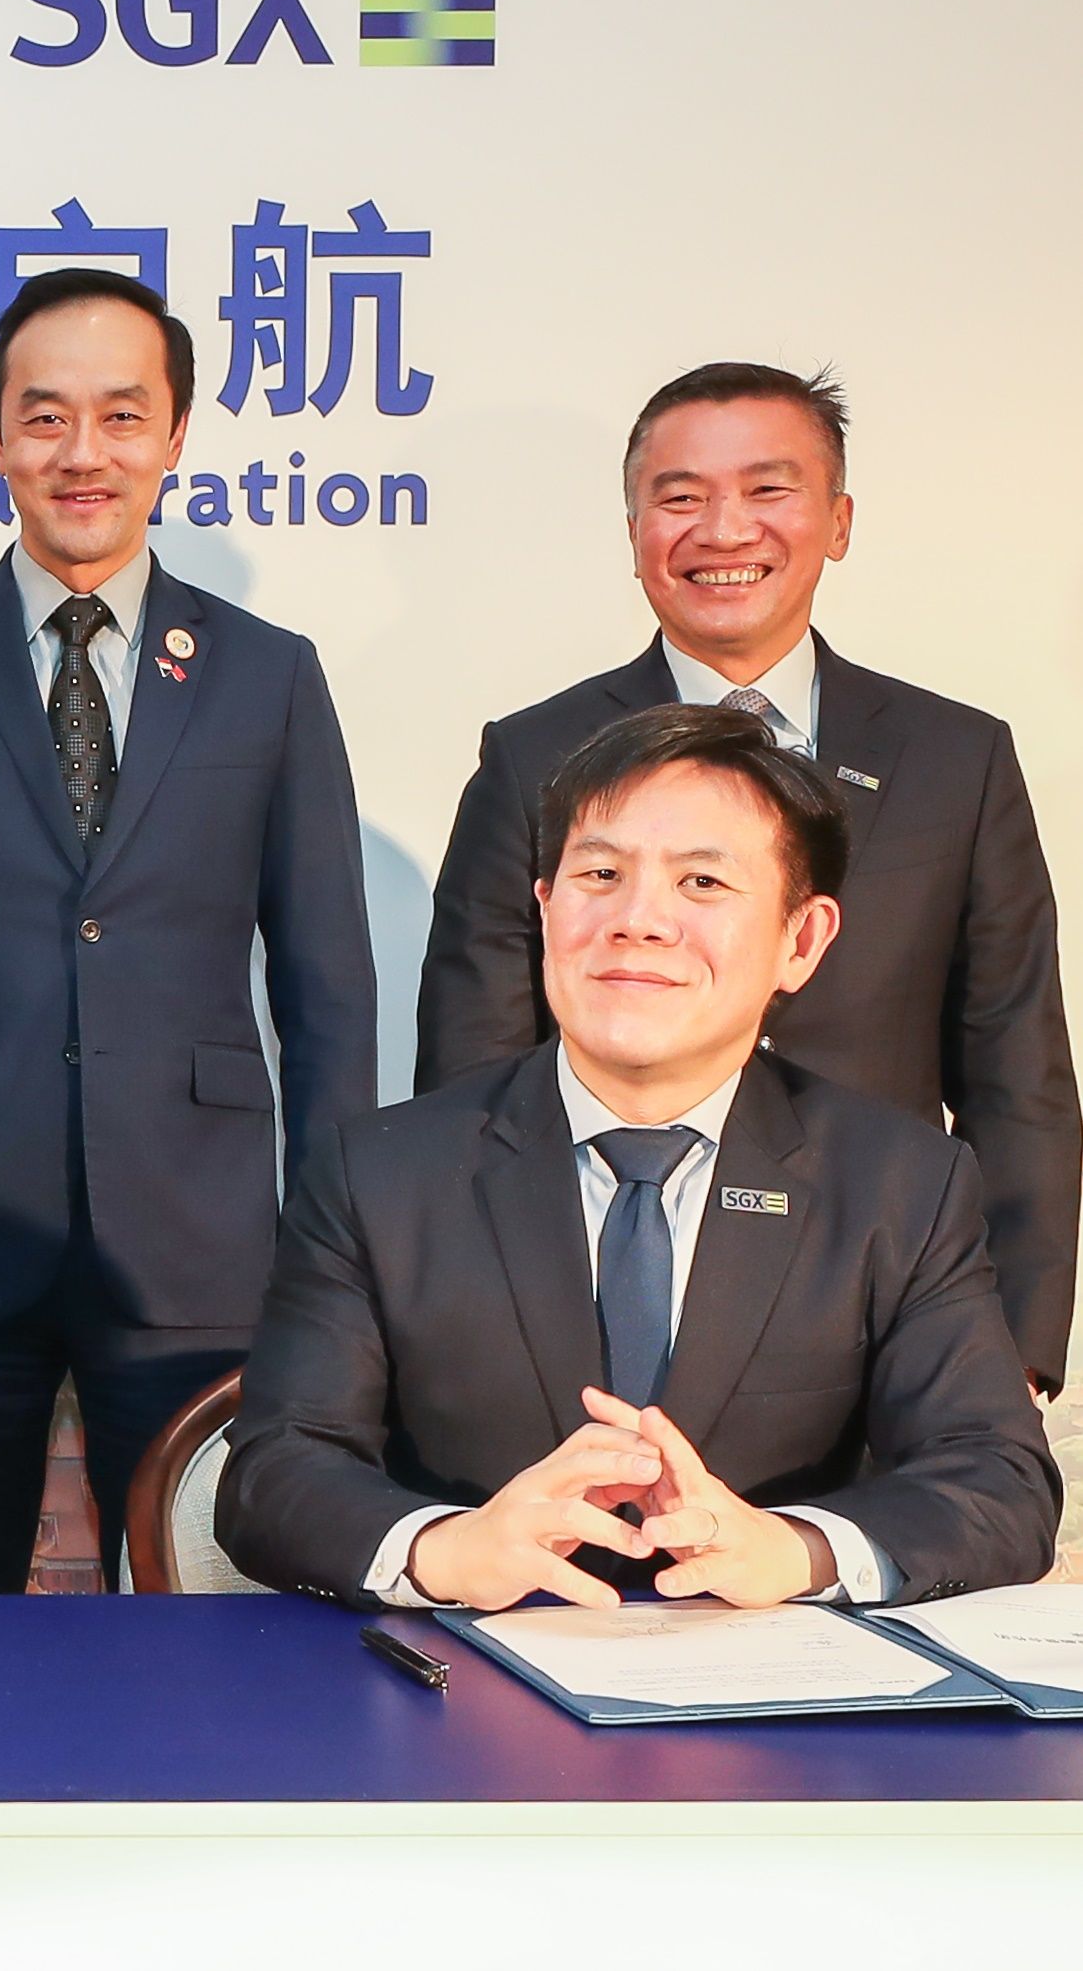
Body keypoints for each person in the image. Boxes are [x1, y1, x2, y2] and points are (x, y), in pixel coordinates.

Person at [0, 268, 374, 1591]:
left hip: (200, 1250)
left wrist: (328, 1260)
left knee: (218, 1649)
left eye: (119, 414)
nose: (80, 452)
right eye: (42, 416)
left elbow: (328, 996)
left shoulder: (267, 674)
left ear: (172, 437)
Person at [222, 704, 1058, 1610]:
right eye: (599, 872)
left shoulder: (900, 1183)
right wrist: (445, 1549)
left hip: (774, 1714)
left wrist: (795, 1550)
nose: (637, 921)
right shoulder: (379, 1174)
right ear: (543, 908)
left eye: (701, 881)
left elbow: (1001, 1482)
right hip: (459, 1696)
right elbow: (274, 1468)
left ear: (801, 939)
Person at [418, 363, 1077, 1388]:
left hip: (884, 1306)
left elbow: (1015, 1069)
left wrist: (1017, 1354)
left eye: (767, 490)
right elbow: (473, 1060)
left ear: (838, 518)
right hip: (598, 1306)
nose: (723, 532)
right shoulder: (534, 752)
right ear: (633, 526)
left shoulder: (956, 756)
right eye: (679, 497)